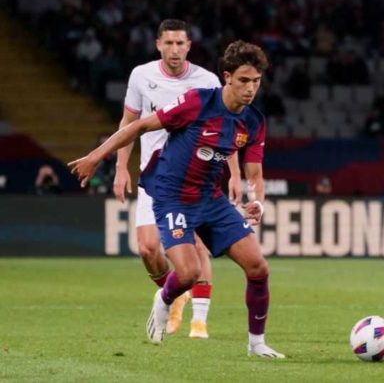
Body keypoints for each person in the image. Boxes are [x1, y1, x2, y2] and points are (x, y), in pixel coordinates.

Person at [70, 40, 284, 358]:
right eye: (243, 80)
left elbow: (255, 173)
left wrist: (258, 201)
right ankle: (165, 299)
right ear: (227, 77)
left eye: (256, 81)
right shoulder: (197, 102)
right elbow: (141, 124)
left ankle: (257, 344)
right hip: (173, 198)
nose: (250, 88)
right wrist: (97, 156)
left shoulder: (253, 121)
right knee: (187, 273)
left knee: (258, 267)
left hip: (211, 201)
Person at [112, 19, 242, 340]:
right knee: (146, 249)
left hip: (195, 176)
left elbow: (227, 127)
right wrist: (119, 168)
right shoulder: (141, 76)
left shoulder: (207, 81)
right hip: (153, 176)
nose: (174, 49)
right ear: (158, 44)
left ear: (189, 46)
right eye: (168, 43)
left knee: (196, 244)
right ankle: (176, 293)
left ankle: (199, 322)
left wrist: (235, 174)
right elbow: (129, 122)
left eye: (180, 43)